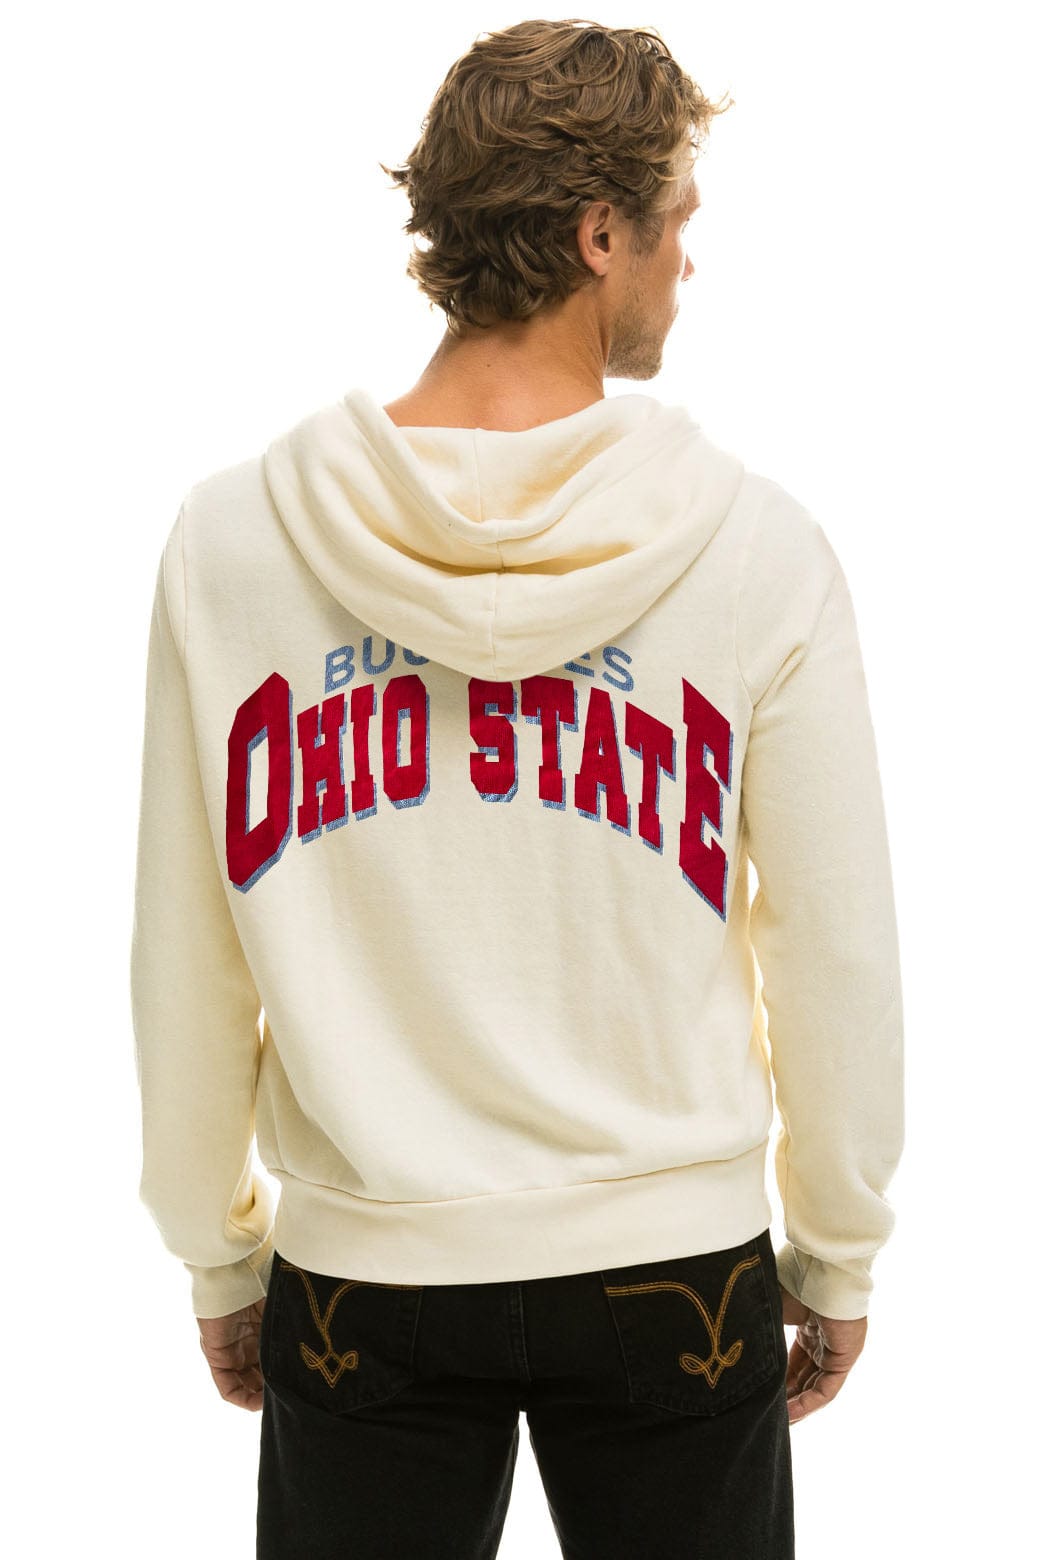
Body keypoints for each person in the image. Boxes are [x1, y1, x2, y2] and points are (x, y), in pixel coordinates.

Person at [130, 18, 904, 1559]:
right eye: (677, 218)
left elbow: (187, 950)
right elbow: (835, 946)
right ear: (600, 233)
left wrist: (217, 1249)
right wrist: (837, 1246)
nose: (690, 258)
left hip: (365, 1268)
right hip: (677, 1267)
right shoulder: (754, 551)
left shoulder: (235, 546)